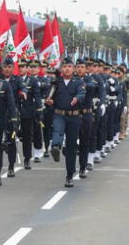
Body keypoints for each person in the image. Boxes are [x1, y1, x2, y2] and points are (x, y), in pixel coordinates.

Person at [45, 57, 86, 187]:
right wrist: (49, 101)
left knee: (71, 147)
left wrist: (77, 99)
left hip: (74, 117)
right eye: (65, 66)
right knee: (57, 130)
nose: (67, 69)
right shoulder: (56, 83)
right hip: (60, 114)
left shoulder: (78, 82)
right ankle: (55, 147)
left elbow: (82, 93)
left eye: (69, 66)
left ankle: (69, 175)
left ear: (73, 69)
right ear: (62, 69)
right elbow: (49, 97)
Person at [18, 60, 42, 170]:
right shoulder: (14, 80)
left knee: (27, 136)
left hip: (28, 112)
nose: (20, 68)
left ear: (27, 68)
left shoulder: (32, 81)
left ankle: (27, 158)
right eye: (19, 66)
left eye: (23, 66)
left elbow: (37, 97)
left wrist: (39, 110)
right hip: (15, 111)